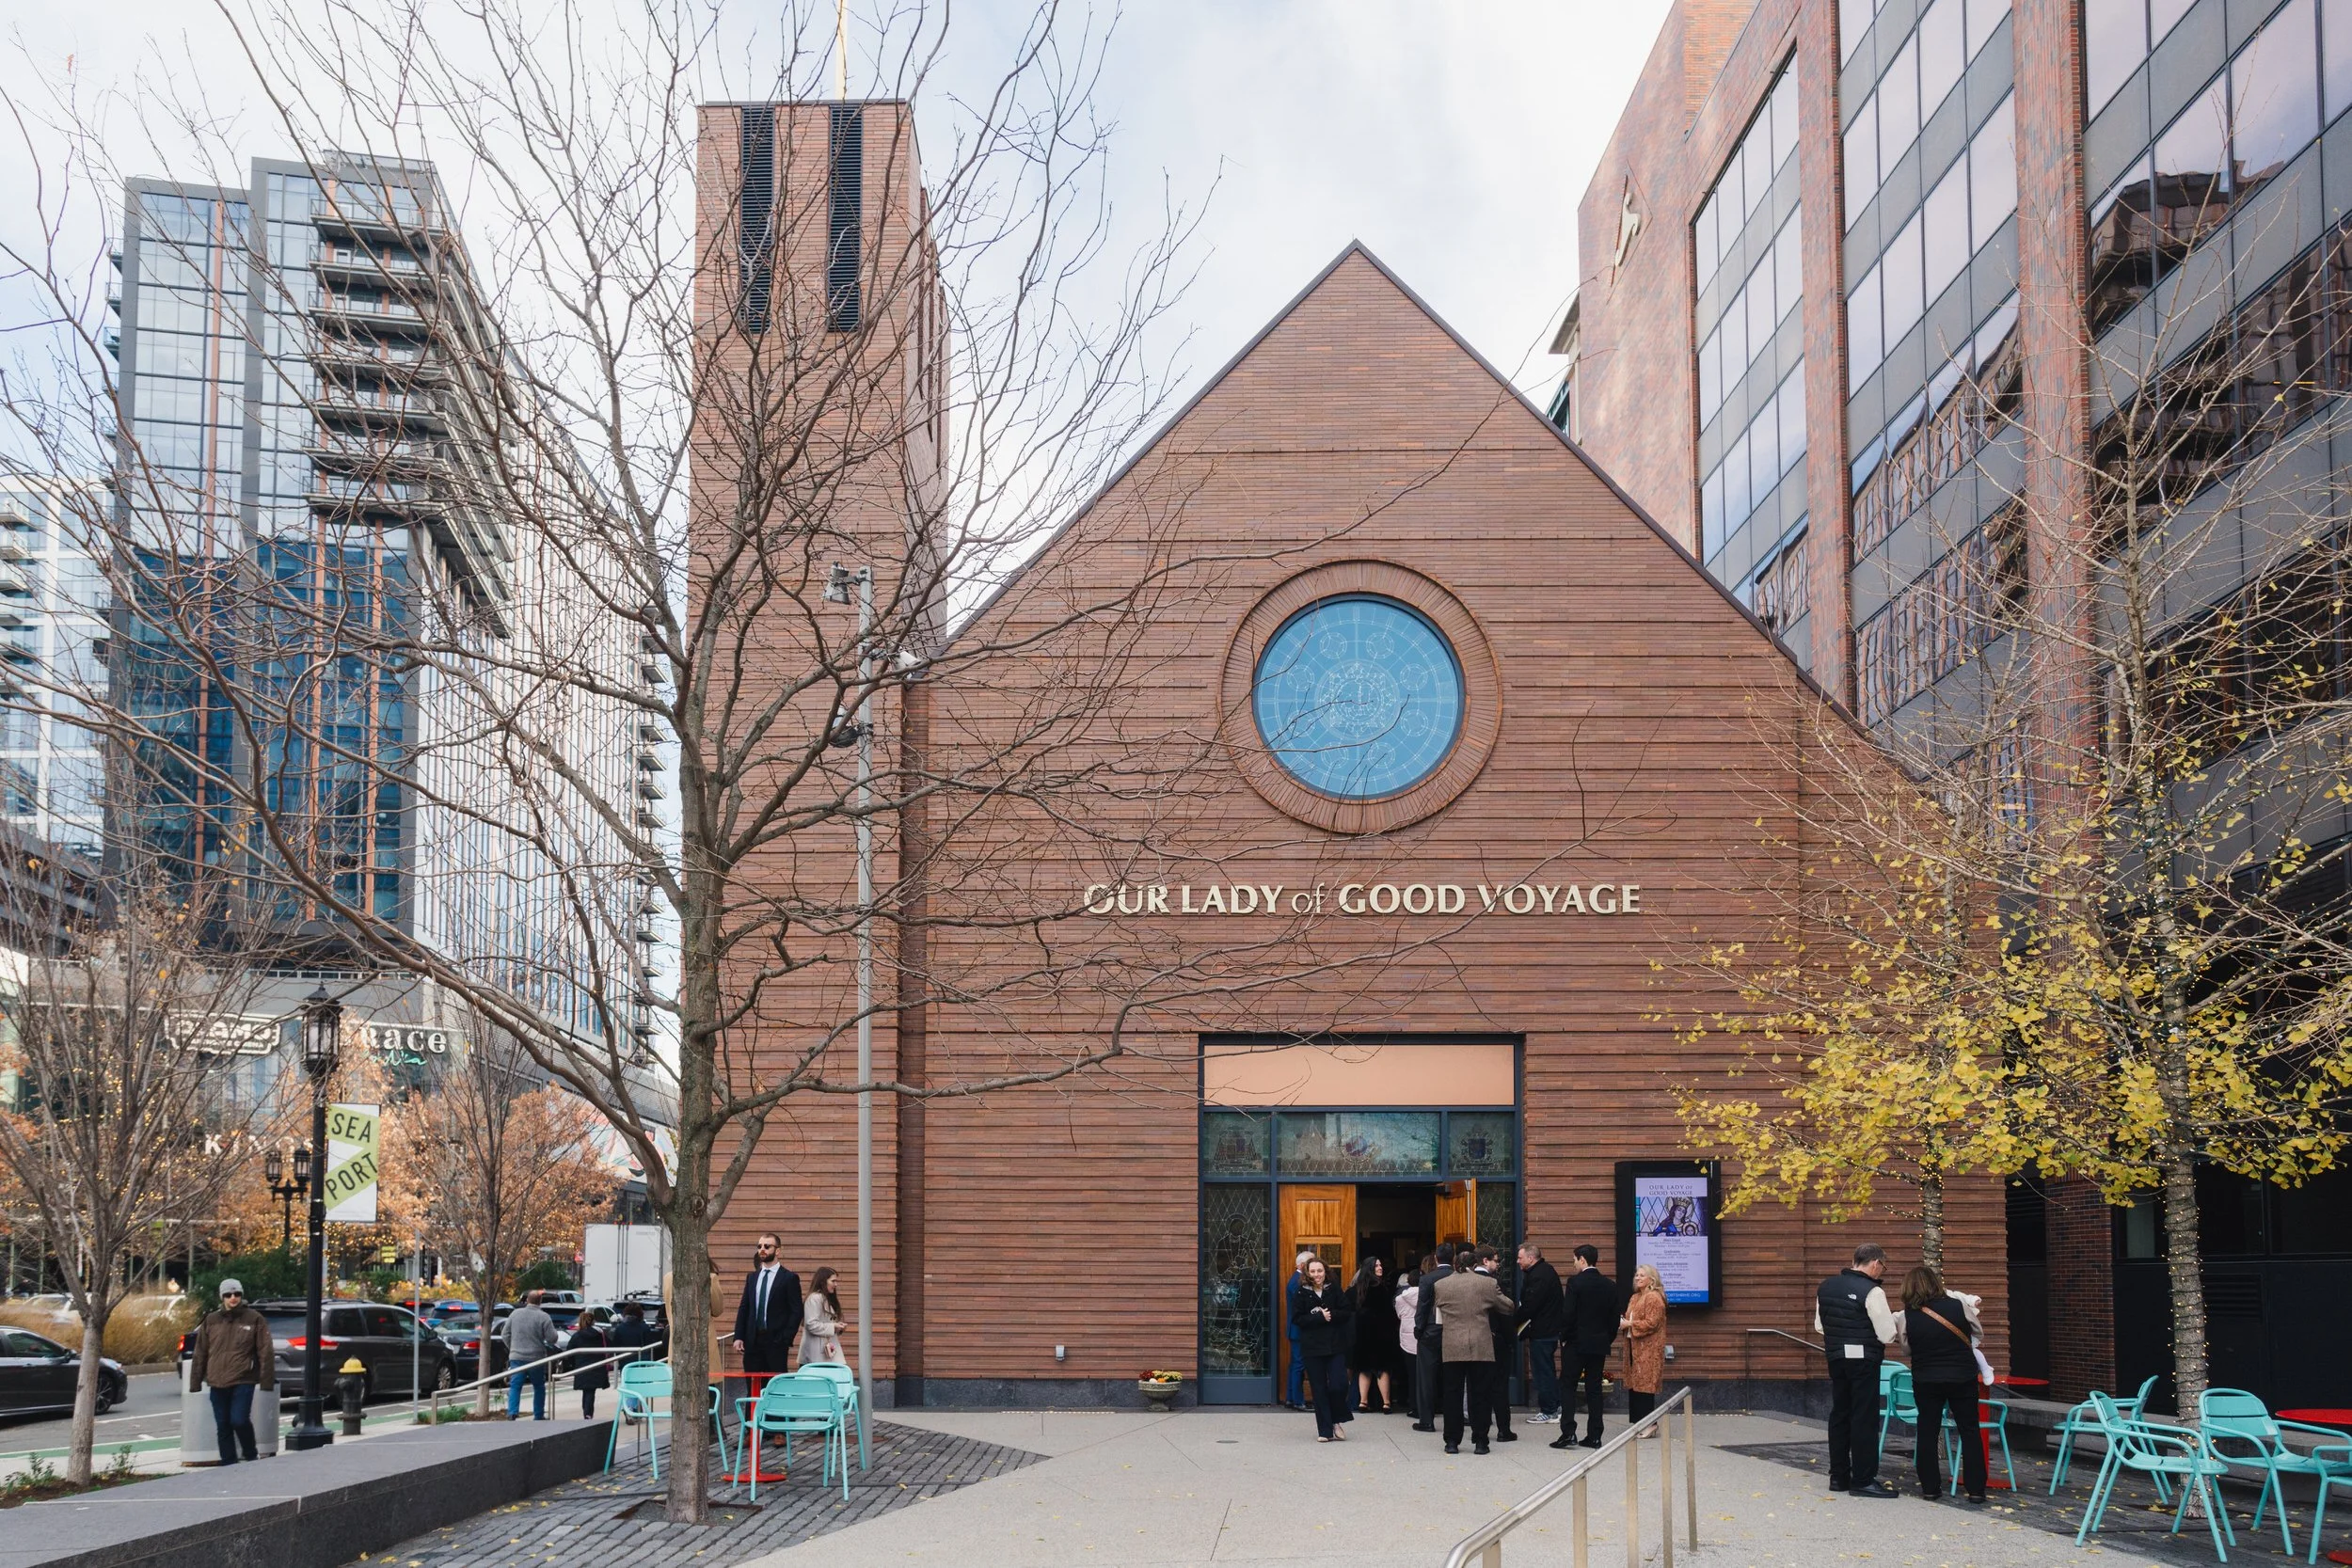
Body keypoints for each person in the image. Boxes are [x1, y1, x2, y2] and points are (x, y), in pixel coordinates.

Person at [1814, 1242, 1900, 1497]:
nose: (1882, 1272)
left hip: (1836, 1357)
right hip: (1864, 1361)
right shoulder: (1872, 1291)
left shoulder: (1826, 1287)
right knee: (1864, 1416)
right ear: (1875, 1264)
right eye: (1883, 1267)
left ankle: (1838, 1476)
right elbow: (1887, 1334)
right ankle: (1863, 1479)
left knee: (1840, 1413)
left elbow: (1820, 1326)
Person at [1900, 1264, 1987, 1502]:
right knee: (1969, 1430)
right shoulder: (1958, 1306)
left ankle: (1930, 1488)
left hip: (1926, 1377)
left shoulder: (1908, 1314)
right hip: (1962, 1376)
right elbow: (1977, 1332)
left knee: (1927, 1431)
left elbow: (1906, 1349)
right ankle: (1976, 1490)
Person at [1433, 1243, 1514, 1454]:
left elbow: (1439, 1309)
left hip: (1452, 1345)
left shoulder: (1442, 1285)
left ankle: (1452, 1441)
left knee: (1452, 1395)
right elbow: (1507, 1306)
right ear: (1474, 1264)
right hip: (1480, 1345)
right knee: (1481, 1395)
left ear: (1455, 1264)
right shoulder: (1487, 1284)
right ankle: (1480, 1441)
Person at [189, 1280, 273, 1464]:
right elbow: (200, 1352)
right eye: (228, 1295)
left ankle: (251, 1454)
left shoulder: (254, 1318)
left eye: (236, 1294)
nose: (233, 1298)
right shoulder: (211, 1320)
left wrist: (266, 1380)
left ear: (241, 1295)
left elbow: (265, 1351)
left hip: (244, 1379)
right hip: (217, 1380)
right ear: (222, 1297)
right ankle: (228, 1462)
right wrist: (195, 1382)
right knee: (223, 1424)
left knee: (239, 1420)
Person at [1551, 1244, 1619, 1449]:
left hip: (1575, 1343)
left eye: (1574, 1260)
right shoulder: (1609, 1285)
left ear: (1582, 1260)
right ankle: (1595, 1435)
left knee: (1568, 1386)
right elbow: (1613, 1318)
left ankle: (1568, 1432)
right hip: (1598, 1343)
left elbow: (1568, 1314)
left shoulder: (1575, 1283)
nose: (1573, 1264)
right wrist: (1607, 1339)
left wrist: (1564, 1337)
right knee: (1594, 1389)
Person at [1295, 1258, 1355, 1442]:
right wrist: (1319, 1317)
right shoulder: (1300, 1293)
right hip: (1312, 1348)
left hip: (1335, 1346)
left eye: (1319, 1271)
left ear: (1325, 1271)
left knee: (1339, 1384)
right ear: (1307, 1273)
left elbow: (1347, 1311)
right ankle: (1325, 1430)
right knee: (1319, 1389)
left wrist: (1331, 1315)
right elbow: (1298, 1319)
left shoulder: (1334, 1289)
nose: (1316, 1275)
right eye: (1312, 1271)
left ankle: (1336, 1419)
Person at [732, 1233, 804, 1375]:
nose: (762, 1249)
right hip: (752, 1341)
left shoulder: (789, 1278)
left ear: (777, 1250)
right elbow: (744, 1307)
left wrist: (785, 1338)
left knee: (774, 1386)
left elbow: (796, 1311)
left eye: (767, 1246)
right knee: (752, 1387)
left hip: (776, 1341)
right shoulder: (752, 1277)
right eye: (759, 1246)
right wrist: (739, 1336)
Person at [1515, 1242, 1565, 1426]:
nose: (1518, 1261)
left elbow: (1530, 1305)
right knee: (1547, 1370)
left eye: (1520, 1258)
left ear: (1531, 1257)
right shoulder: (1544, 1272)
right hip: (1547, 1330)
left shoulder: (1539, 1276)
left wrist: (1513, 1320)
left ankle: (1549, 1410)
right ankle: (1554, 1407)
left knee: (1543, 1372)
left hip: (1543, 1332)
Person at [1412, 1243, 1456, 1433]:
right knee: (1453, 1376)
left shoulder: (1428, 1279)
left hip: (1431, 1331)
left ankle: (1427, 1421)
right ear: (1453, 1259)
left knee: (1426, 1378)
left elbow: (1422, 1306)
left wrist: (1419, 1328)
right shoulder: (1458, 1277)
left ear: (1436, 1258)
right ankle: (1453, 1418)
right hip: (1455, 1331)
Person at [1477, 1248, 1519, 1444]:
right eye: (1496, 1260)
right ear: (1486, 1261)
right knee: (1499, 1387)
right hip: (1495, 1340)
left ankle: (1480, 1431)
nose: (1498, 1264)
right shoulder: (1493, 1283)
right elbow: (1505, 1312)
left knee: (1478, 1387)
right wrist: (1511, 1339)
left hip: (1475, 1342)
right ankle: (1503, 1429)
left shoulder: (1463, 1281)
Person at [1620, 1263, 1667, 1422]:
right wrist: (1623, 1322)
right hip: (1634, 1347)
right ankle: (1636, 1422)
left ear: (1651, 1279)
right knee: (1635, 1384)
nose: (1638, 1278)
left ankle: (1648, 1424)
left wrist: (1630, 1325)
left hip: (1648, 1349)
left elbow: (1652, 1323)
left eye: (1642, 1275)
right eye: (1637, 1275)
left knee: (1645, 1386)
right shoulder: (1635, 1297)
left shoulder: (1654, 1297)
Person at [1349, 1255, 1396, 1414]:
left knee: (1364, 1368)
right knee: (1382, 1369)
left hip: (1362, 1333)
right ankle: (1386, 1402)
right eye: (1376, 1266)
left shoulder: (1357, 1289)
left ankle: (1363, 1401)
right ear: (1370, 1269)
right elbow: (1389, 1312)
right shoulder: (1381, 1288)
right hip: (1381, 1334)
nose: (1380, 1268)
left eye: (1380, 1265)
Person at [505, 1289, 560, 1420]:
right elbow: (552, 1338)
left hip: (517, 1357)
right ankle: (538, 1414)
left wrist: (512, 1347)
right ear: (540, 1302)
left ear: (527, 1300)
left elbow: (505, 1334)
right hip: (536, 1358)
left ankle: (512, 1412)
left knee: (515, 1386)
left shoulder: (515, 1314)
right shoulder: (543, 1316)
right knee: (539, 1386)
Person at [801, 1266, 850, 1364]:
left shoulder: (824, 1298)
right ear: (823, 1281)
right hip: (817, 1354)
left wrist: (837, 1327)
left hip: (824, 1352)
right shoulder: (815, 1298)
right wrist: (833, 1326)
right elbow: (811, 1324)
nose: (836, 1284)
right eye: (833, 1281)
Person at [1284, 1250, 1313, 1410]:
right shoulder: (1297, 1282)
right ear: (1302, 1265)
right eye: (1311, 1263)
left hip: (1296, 1330)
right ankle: (1298, 1401)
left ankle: (1290, 1398)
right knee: (1299, 1365)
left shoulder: (1296, 1279)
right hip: (1298, 1330)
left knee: (1295, 1364)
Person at [1394, 1266, 1422, 1423]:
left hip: (1407, 1337)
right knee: (1426, 1374)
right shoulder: (1428, 1295)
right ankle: (1429, 1405)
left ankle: (1414, 1406)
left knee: (1411, 1375)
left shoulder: (1400, 1298)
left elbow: (1399, 1314)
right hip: (1424, 1336)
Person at [572, 1310, 612, 1419]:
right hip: (597, 1367)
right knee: (590, 1391)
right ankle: (588, 1413)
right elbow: (610, 1345)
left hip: (582, 1366)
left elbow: (569, 1350)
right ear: (593, 1321)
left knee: (587, 1391)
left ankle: (587, 1412)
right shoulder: (599, 1335)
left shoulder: (577, 1336)